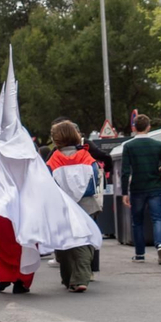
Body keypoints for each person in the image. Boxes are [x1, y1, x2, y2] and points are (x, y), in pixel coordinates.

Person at [46, 120, 101, 292]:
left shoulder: (52, 160)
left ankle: (69, 277)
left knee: (64, 242)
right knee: (84, 240)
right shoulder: (86, 157)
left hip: (62, 206)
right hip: (86, 205)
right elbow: (96, 178)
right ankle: (81, 278)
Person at [120, 113, 161, 264]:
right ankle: (160, 244)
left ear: (134, 127)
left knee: (138, 221)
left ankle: (140, 254)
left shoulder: (128, 146)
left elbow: (125, 171)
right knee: (158, 218)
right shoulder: (158, 145)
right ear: (149, 127)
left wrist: (124, 193)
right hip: (155, 186)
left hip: (137, 188)